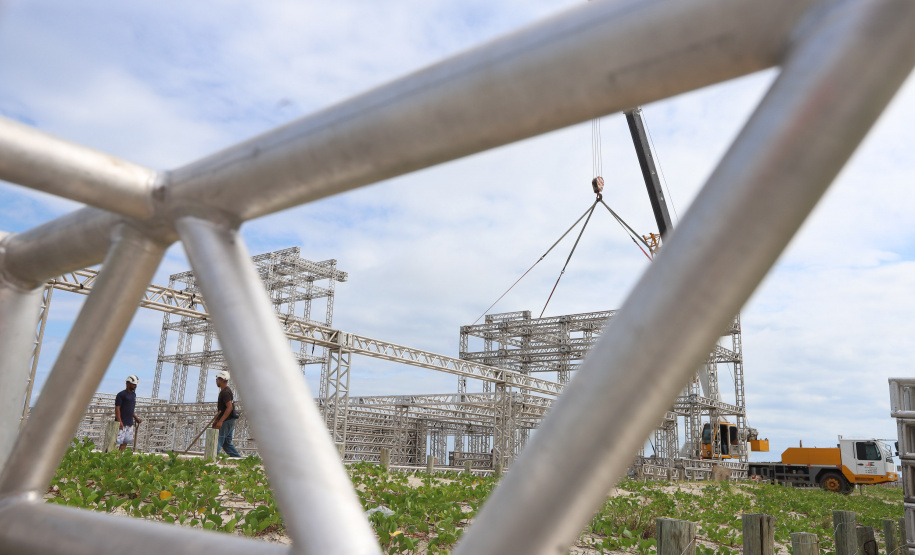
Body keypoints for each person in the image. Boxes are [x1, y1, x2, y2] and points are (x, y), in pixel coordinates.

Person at [212, 370, 241, 458]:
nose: (216, 381)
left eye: (217, 379)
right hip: (230, 420)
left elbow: (229, 407)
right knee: (226, 443)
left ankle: (210, 461)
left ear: (221, 379)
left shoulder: (225, 392)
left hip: (226, 421)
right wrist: (216, 420)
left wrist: (220, 421)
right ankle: (238, 459)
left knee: (217, 441)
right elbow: (222, 409)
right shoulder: (226, 391)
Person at [115, 375, 142, 451]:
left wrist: (136, 418)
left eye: (135, 385)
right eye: (133, 384)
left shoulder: (133, 395)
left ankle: (119, 457)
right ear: (128, 383)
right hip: (122, 422)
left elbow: (130, 409)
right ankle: (112, 457)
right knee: (116, 441)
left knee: (125, 442)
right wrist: (119, 421)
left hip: (129, 422)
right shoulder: (121, 394)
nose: (135, 386)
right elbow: (117, 408)